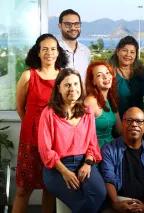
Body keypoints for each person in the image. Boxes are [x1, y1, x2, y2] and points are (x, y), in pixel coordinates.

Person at [38, 68, 106, 212]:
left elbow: (92, 144)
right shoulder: (49, 113)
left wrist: (88, 163)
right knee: (81, 201)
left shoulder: (87, 111)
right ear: (59, 88)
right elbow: (45, 150)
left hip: (84, 162)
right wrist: (65, 172)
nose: (73, 89)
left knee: (100, 194)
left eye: (76, 84)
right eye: (67, 85)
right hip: (58, 167)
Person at [13, 33, 68, 212]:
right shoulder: (28, 76)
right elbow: (20, 108)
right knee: (23, 190)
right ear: (38, 52)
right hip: (30, 141)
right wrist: (34, 126)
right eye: (45, 49)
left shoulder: (63, 76)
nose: (49, 53)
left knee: (50, 189)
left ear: (58, 52)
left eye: (53, 49)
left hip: (54, 142)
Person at [100, 107, 144, 213]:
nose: (134, 124)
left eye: (139, 121)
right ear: (122, 124)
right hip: (119, 201)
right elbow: (109, 179)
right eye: (129, 121)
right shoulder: (108, 149)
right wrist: (116, 203)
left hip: (143, 204)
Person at [85, 61, 122, 147]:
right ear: (93, 81)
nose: (105, 77)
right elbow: (84, 135)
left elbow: (120, 130)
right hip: (96, 152)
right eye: (99, 75)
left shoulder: (110, 99)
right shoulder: (90, 101)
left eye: (107, 73)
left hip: (111, 148)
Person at [109, 36, 144, 119]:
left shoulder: (141, 73)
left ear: (136, 55)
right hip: (117, 122)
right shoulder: (109, 73)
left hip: (137, 122)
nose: (128, 54)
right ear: (117, 52)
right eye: (125, 50)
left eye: (132, 52)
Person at [58, 9, 90, 80]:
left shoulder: (86, 51)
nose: (73, 28)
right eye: (68, 24)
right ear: (60, 26)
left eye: (76, 24)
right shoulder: (54, 50)